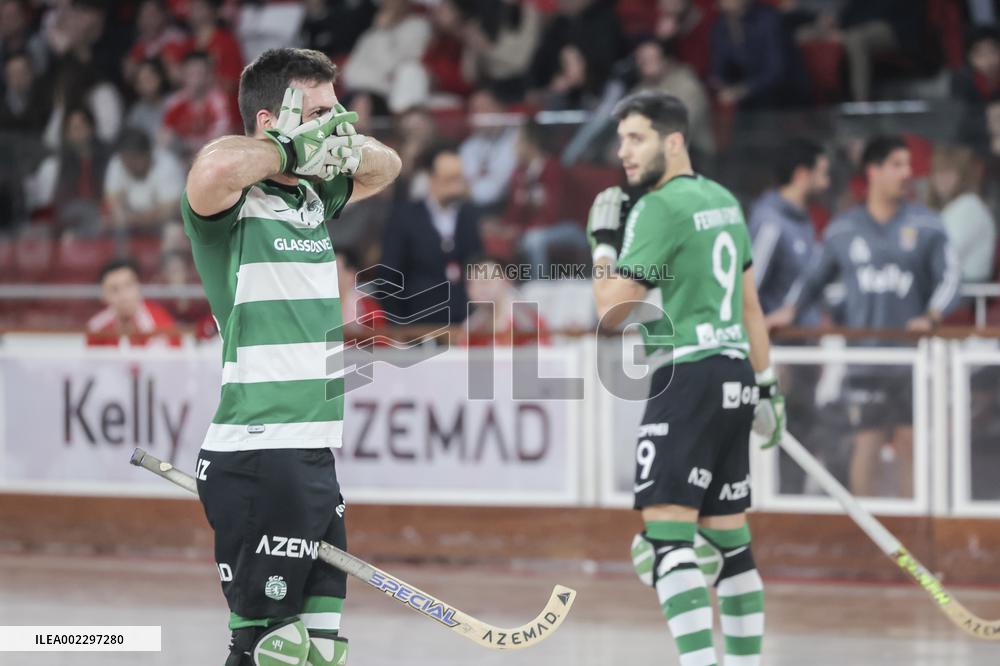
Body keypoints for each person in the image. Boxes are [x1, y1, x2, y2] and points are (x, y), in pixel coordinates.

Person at [180, 47, 400, 666]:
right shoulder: (232, 204)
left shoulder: (313, 196)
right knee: (267, 650)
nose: (338, 123)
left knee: (320, 652)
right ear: (272, 118)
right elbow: (210, 171)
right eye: (322, 112)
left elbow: (389, 166)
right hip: (257, 450)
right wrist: (289, 149)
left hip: (310, 448)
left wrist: (342, 148)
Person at [589, 90, 782, 666]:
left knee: (667, 541)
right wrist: (767, 386)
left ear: (673, 141)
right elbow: (751, 308)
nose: (622, 151)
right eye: (621, 138)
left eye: (636, 138)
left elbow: (612, 312)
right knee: (730, 544)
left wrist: (602, 243)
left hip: (688, 377)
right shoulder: (723, 200)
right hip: (735, 377)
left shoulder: (659, 207)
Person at [771, 135, 961, 498]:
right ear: (873, 172)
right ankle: (867, 539)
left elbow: (952, 278)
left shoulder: (928, 225)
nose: (908, 173)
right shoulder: (844, 228)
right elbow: (812, 278)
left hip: (913, 362)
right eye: (898, 165)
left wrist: (932, 316)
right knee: (866, 444)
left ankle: (912, 535)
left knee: (911, 444)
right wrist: (789, 310)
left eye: (909, 165)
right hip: (865, 360)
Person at [380, 143, 482, 326]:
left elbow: (477, 263)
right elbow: (389, 276)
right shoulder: (405, 218)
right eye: (449, 179)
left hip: (463, 320)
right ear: (431, 178)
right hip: (418, 322)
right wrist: (396, 326)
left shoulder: (469, 216)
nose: (457, 187)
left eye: (459, 179)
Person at [749, 138, 830, 323]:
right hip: (779, 346)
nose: (827, 183)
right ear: (802, 174)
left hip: (803, 344)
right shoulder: (769, 222)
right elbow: (749, 289)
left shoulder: (803, 221)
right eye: (823, 174)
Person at [927, 144, 996, 283]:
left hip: (967, 290)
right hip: (952, 286)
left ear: (963, 176)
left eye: (948, 173)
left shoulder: (969, 205)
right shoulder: (951, 207)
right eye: (938, 172)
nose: (941, 179)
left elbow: (946, 253)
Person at [104, 128, 185, 235]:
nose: (129, 164)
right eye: (125, 159)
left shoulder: (168, 165)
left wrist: (128, 219)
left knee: (173, 231)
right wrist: (122, 217)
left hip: (163, 227)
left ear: (148, 154)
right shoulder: (117, 163)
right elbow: (113, 201)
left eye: (134, 158)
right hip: (130, 229)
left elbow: (167, 212)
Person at [86, 258, 181, 347]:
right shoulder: (96, 327)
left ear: (138, 286)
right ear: (104, 296)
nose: (124, 296)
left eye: (129, 286)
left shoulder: (160, 322)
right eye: (114, 289)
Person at [160, 50, 233, 160]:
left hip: (211, 159)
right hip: (181, 160)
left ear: (208, 76)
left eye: (199, 73)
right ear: (182, 74)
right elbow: (164, 140)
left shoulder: (219, 101)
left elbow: (220, 140)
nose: (194, 79)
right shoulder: (174, 102)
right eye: (190, 73)